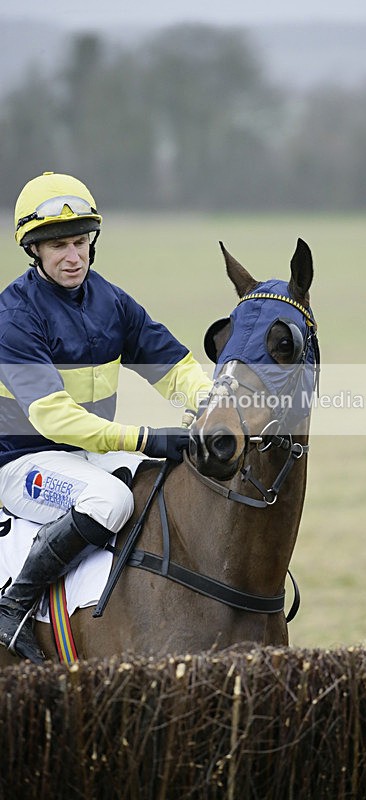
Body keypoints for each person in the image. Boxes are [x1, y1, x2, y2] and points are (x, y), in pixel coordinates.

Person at [0, 171, 212, 664]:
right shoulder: (13, 316)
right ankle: (12, 604)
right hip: (20, 463)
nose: (73, 257)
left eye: (80, 242)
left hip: (83, 455)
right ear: (34, 251)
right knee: (111, 499)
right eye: (57, 246)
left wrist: (211, 405)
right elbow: (54, 419)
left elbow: (174, 366)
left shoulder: (111, 301)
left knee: (172, 480)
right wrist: (144, 437)